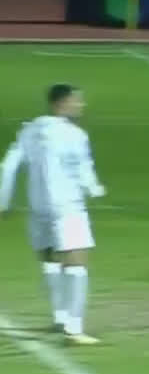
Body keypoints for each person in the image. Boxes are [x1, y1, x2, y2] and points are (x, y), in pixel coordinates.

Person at [0, 84, 105, 345]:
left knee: (50, 261)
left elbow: (9, 166)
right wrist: (94, 188)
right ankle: (74, 328)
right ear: (61, 104)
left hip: (39, 208)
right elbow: (83, 169)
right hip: (67, 206)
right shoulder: (74, 134)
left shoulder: (30, 130)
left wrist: (3, 202)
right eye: (76, 101)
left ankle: (59, 317)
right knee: (77, 265)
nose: (81, 106)